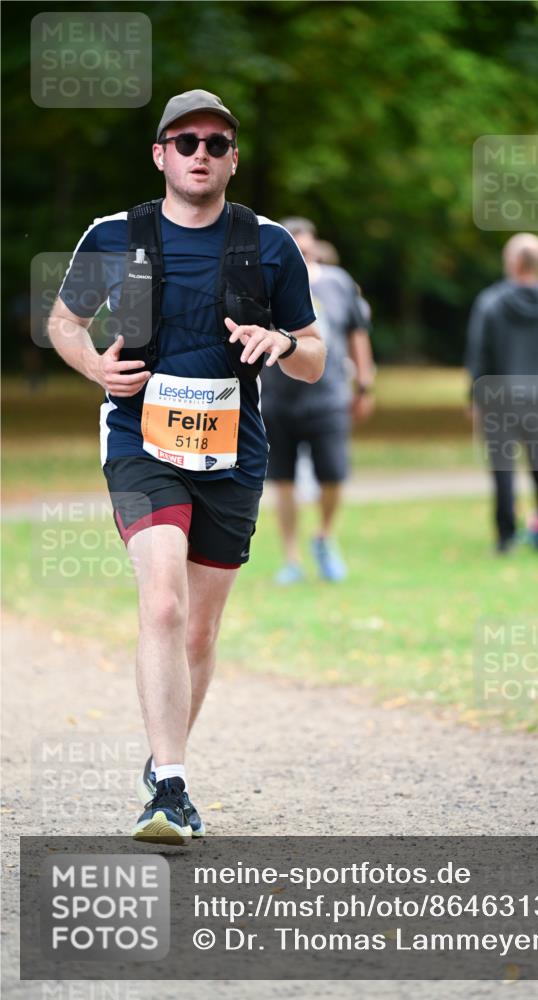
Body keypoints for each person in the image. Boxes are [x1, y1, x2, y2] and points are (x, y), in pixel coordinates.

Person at [47, 89, 325, 843]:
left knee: (199, 632)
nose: (201, 153)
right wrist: (94, 368)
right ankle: (170, 788)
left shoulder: (269, 244)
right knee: (162, 603)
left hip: (233, 450)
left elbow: (313, 353)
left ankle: (163, 758)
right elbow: (63, 323)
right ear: (160, 154)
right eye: (186, 140)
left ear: (233, 158)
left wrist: (284, 347)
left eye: (216, 142)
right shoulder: (113, 235)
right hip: (141, 440)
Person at [259, 218, 375, 583]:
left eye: (306, 251)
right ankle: (291, 558)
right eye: (295, 251)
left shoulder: (338, 283)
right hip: (278, 397)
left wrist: (365, 384)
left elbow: (357, 335)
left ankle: (323, 537)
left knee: (333, 474)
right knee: (283, 480)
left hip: (328, 396)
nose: (302, 258)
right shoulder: (264, 283)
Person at [465, 233, 538, 552]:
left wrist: (473, 398)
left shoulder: (490, 302)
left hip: (498, 397)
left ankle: (505, 537)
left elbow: (478, 354)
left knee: (503, 470)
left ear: (514, 262)